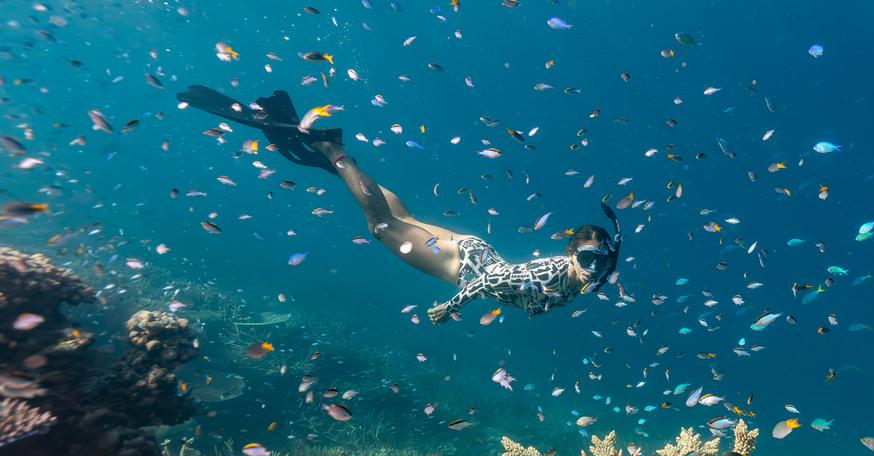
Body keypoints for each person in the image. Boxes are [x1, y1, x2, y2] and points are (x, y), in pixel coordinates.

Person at [176, 85, 621, 323]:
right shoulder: (552, 270)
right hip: (461, 265)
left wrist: (606, 253)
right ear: (570, 253)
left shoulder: (595, 273)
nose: (595, 268)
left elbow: (608, 252)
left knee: (399, 217)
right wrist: (452, 307)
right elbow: (495, 281)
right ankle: (333, 151)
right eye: (587, 258)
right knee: (381, 224)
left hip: (471, 252)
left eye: (600, 261)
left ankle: (334, 163)